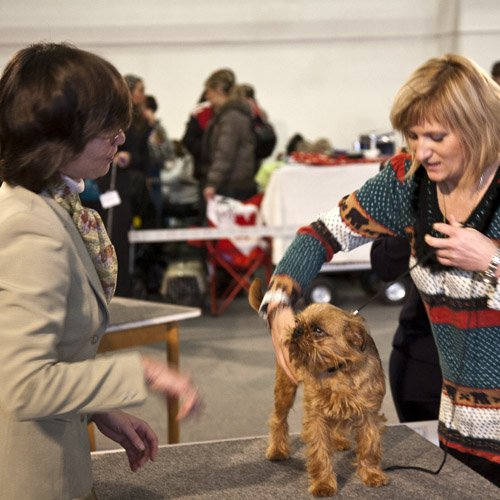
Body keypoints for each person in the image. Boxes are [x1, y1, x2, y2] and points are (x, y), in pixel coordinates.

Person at [259, 53, 500, 487]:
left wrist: (491, 261)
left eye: (437, 136)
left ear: (478, 125)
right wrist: (279, 304)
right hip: (459, 425)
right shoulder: (407, 180)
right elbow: (319, 235)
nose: (420, 150)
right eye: (412, 134)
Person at [0, 42, 201, 500]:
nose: (121, 137)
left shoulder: (49, 206)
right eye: (107, 125)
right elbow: (24, 383)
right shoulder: (30, 225)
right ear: (56, 131)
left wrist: (98, 408)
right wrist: (143, 371)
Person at [370, 236, 442, 422]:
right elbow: (384, 263)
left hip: (486, 373)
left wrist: (491, 261)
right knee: (423, 449)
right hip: (421, 364)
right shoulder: (423, 207)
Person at [199, 68, 257, 210]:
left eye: (209, 91)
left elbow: (224, 153)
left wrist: (212, 183)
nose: (207, 96)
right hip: (236, 182)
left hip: (231, 186)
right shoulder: (231, 114)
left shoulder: (230, 117)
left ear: (219, 90)